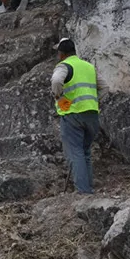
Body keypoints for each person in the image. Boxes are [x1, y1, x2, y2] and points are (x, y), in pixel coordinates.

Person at [52, 38, 100, 194]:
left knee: (76, 153)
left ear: (61, 54)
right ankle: (88, 188)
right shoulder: (88, 67)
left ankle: (83, 192)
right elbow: (104, 86)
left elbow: (56, 80)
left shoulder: (64, 66)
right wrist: (93, 102)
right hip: (92, 114)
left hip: (73, 114)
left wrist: (59, 97)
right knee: (85, 152)